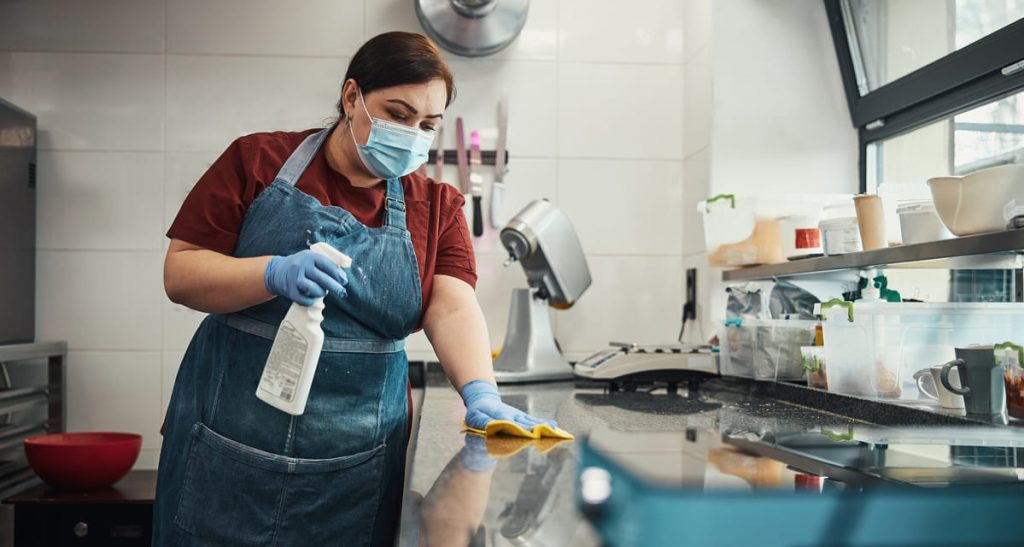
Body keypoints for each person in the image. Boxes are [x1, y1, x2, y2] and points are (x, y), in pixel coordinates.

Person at [153, 31, 555, 547]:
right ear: (351, 97)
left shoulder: (436, 207)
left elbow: (452, 308)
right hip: (226, 453)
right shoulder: (257, 162)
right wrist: (269, 273)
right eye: (398, 113)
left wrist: (480, 392)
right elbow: (181, 273)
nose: (412, 133)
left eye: (427, 124)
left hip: (354, 473)